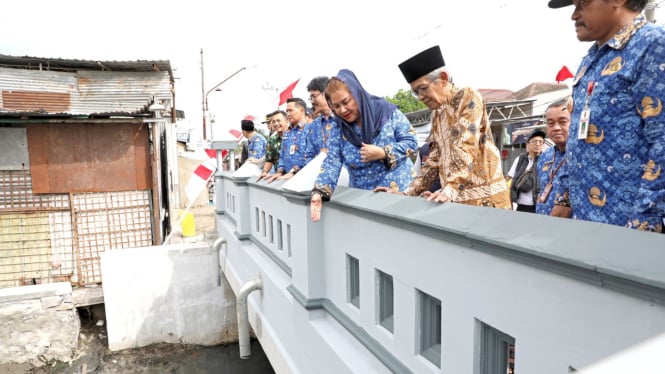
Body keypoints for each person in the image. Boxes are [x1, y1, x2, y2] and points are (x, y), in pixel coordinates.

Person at [548, 0, 665, 233]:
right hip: (587, 224)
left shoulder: (652, 45)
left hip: (630, 229)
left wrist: (644, 223)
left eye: (582, 3)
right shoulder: (591, 60)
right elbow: (577, 142)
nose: (574, 15)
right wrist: (564, 199)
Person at [382, 45, 510, 209]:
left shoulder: (467, 96)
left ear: (443, 78)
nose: (420, 97)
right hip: (455, 201)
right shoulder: (437, 113)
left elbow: (465, 146)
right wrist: (407, 193)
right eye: (416, 92)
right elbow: (434, 159)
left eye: (423, 88)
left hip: (487, 201)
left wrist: (449, 190)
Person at [310, 69, 417, 222]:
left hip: (398, 196)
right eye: (336, 106)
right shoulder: (338, 128)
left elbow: (411, 142)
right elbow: (332, 161)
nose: (343, 110)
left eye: (346, 102)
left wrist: (384, 152)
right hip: (362, 200)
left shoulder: (386, 112)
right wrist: (318, 192)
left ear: (357, 93)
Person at [536, 99, 571, 215]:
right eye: (551, 123)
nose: (556, 128)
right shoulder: (544, 156)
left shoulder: (581, 156)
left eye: (563, 122)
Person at [265, 98, 310, 183]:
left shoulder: (311, 128)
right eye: (287, 111)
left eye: (291, 111)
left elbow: (309, 156)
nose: (288, 114)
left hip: (304, 179)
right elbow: (282, 155)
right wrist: (279, 172)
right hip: (286, 179)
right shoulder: (288, 132)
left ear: (302, 110)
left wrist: (294, 172)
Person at [507, 129, 545, 213]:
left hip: (538, 206)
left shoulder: (546, 160)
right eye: (535, 141)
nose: (538, 144)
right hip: (521, 206)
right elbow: (510, 180)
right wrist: (509, 202)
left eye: (540, 142)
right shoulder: (520, 159)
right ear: (527, 144)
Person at [304, 76, 335, 159]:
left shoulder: (343, 119)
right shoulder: (313, 126)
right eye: (310, 98)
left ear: (326, 94)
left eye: (314, 96)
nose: (312, 101)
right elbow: (308, 156)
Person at [257, 110, 287, 181]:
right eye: (273, 122)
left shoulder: (294, 136)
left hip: (293, 176)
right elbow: (269, 159)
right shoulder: (272, 140)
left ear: (286, 121)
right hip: (278, 177)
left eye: (278, 121)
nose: (276, 124)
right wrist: (265, 172)